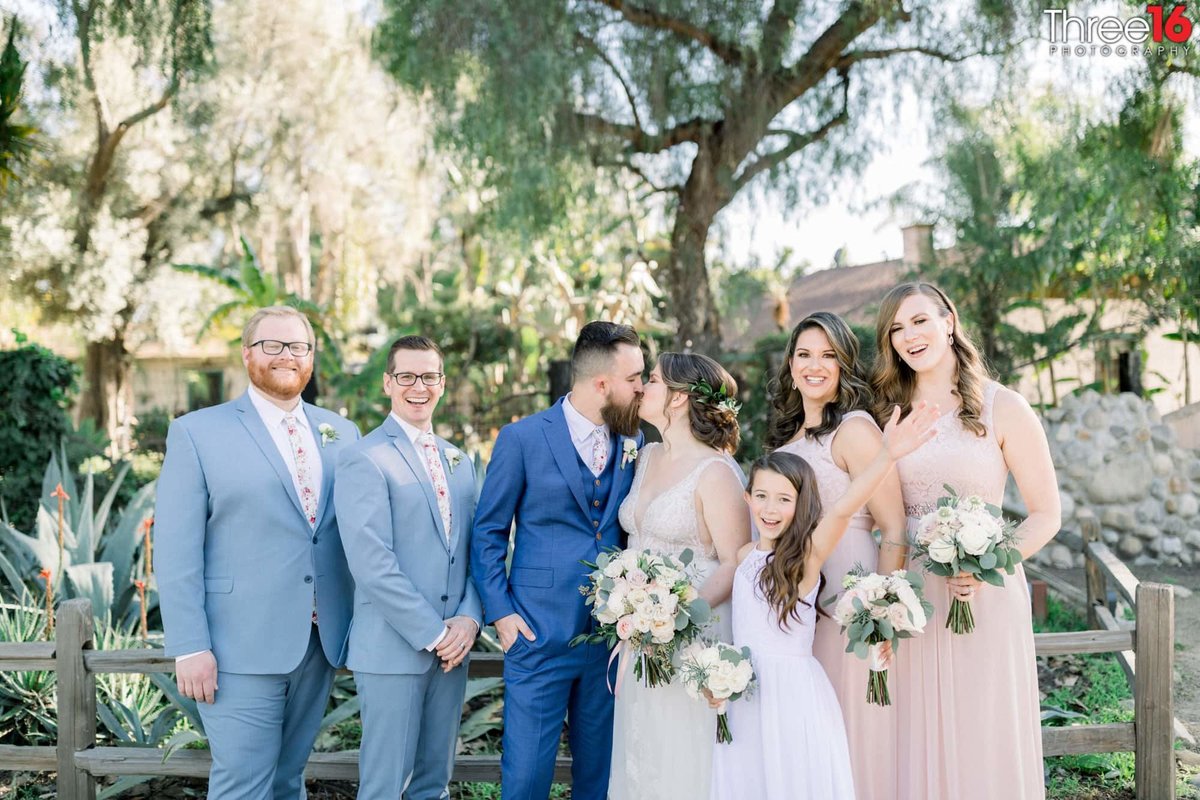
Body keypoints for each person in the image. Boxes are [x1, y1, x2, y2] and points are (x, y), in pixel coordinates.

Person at [155, 306, 359, 800]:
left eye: (298, 347)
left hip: (318, 642)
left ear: (311, 359)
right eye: (273, 345)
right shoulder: (197, 433)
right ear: (247, 354)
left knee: (289, 780)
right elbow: (176, 547)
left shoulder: (342, 434)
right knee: (243, 785)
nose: (286, 355)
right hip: (234, 648)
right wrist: (189, 646)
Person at [872, 282, 1061, 800]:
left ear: (949, 321)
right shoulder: (889, 413)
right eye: (896, 329)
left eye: (919, 321)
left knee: (982, 723)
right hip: (912, 594)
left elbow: (1046, 514)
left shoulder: (1005, 406)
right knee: (913, 727)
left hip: (980, 592)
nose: (909, 336)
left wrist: (988, 565)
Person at [710, 400, 938, 800]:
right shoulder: (745, 557)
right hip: (746, 693)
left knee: (793, 779)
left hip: (792, 693)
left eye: (784, 499)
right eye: (761, 496)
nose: (770, 508)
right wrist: (718, 678)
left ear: (801, 506)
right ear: (747, 499)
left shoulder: (806, 557)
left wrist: (888, 454)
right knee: (750, 780)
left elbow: (846, 506)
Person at [471, 320, 645, 800]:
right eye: (635, 379)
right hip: (536, 635)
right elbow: (488, 532)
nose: (643, 388)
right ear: (602, 384)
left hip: (609, 641)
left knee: (599, 779)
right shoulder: (522, 438)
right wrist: (501, 614)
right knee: (525, 779)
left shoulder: (635, 444)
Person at [335, 335, 482, 800]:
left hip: (453, 650)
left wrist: (469, 619)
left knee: (433, 782)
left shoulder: (459, 460)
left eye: (429, 376)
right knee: (383, 786)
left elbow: (480, 547)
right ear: (388, 383)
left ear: (442, 383)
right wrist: (434, 633)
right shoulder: (365, 457)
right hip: (392, 650)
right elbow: (371, 561)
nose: (418, 386)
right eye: (407, 376)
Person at [767, 311, 906, 800]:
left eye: (828, 355)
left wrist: (881, 613)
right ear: (790, 365)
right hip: (804, 615)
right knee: (820, 740)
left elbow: (894, 525)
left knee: (859, 733)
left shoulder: (854, 430)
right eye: (804, 354)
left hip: (853, 607)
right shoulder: (786, 444)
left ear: (844, 364)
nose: (815, 366)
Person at [609, 353, 750, 800]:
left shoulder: (717, 472)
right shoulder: (646, 456)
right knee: (643, 749)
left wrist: (675, 619)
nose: (641, 388)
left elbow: (734, 560)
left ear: (678, 399)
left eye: (650, 380)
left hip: (693, 632)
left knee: (683, 753)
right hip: (642, 635)